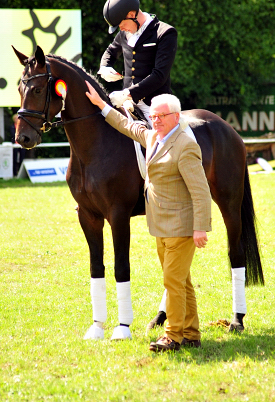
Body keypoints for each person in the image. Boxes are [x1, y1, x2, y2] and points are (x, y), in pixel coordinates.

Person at [85, 81, 212, 352]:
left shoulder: (186, 146)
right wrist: (101, 105)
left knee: (172, 282)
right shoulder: (154, 137)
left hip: (181, 226)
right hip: (160, 226)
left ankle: (172, 336)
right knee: (182, 281)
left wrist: (200, 227)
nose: (156, 120)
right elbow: (128, 126)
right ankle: (191, 332)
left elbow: (201, 191)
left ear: (176, 117)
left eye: (161, 116)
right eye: (153, 116)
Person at [98, 0, 177, 126]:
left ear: (131, 14)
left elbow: (160, 75)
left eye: (122, 24)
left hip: (155, 104)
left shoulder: (164, 33)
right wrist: (105, 67)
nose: (121, 29)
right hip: (127, 104)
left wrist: (127, 94)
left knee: (161, 142)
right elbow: (111, 51)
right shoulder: (125, 33)